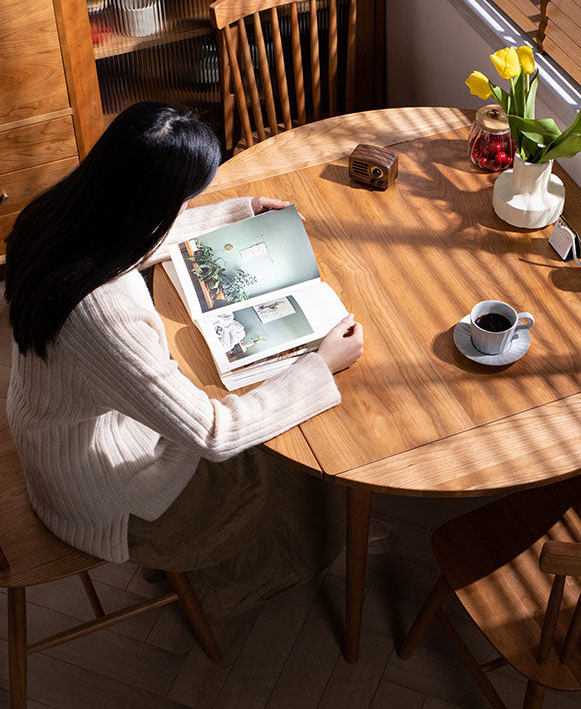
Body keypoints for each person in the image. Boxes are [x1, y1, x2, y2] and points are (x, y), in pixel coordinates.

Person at [4, 101, 363, 619]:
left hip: (57, 443)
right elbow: (213, 434)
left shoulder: (55, 218)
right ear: (151, 205)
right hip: (107, 494)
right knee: (293, 463)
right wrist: (319, 366)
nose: (183, 210)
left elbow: (128, 237)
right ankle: (274, 567)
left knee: (260, 416)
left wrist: (237, 213)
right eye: (182, 201)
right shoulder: (106, 317)